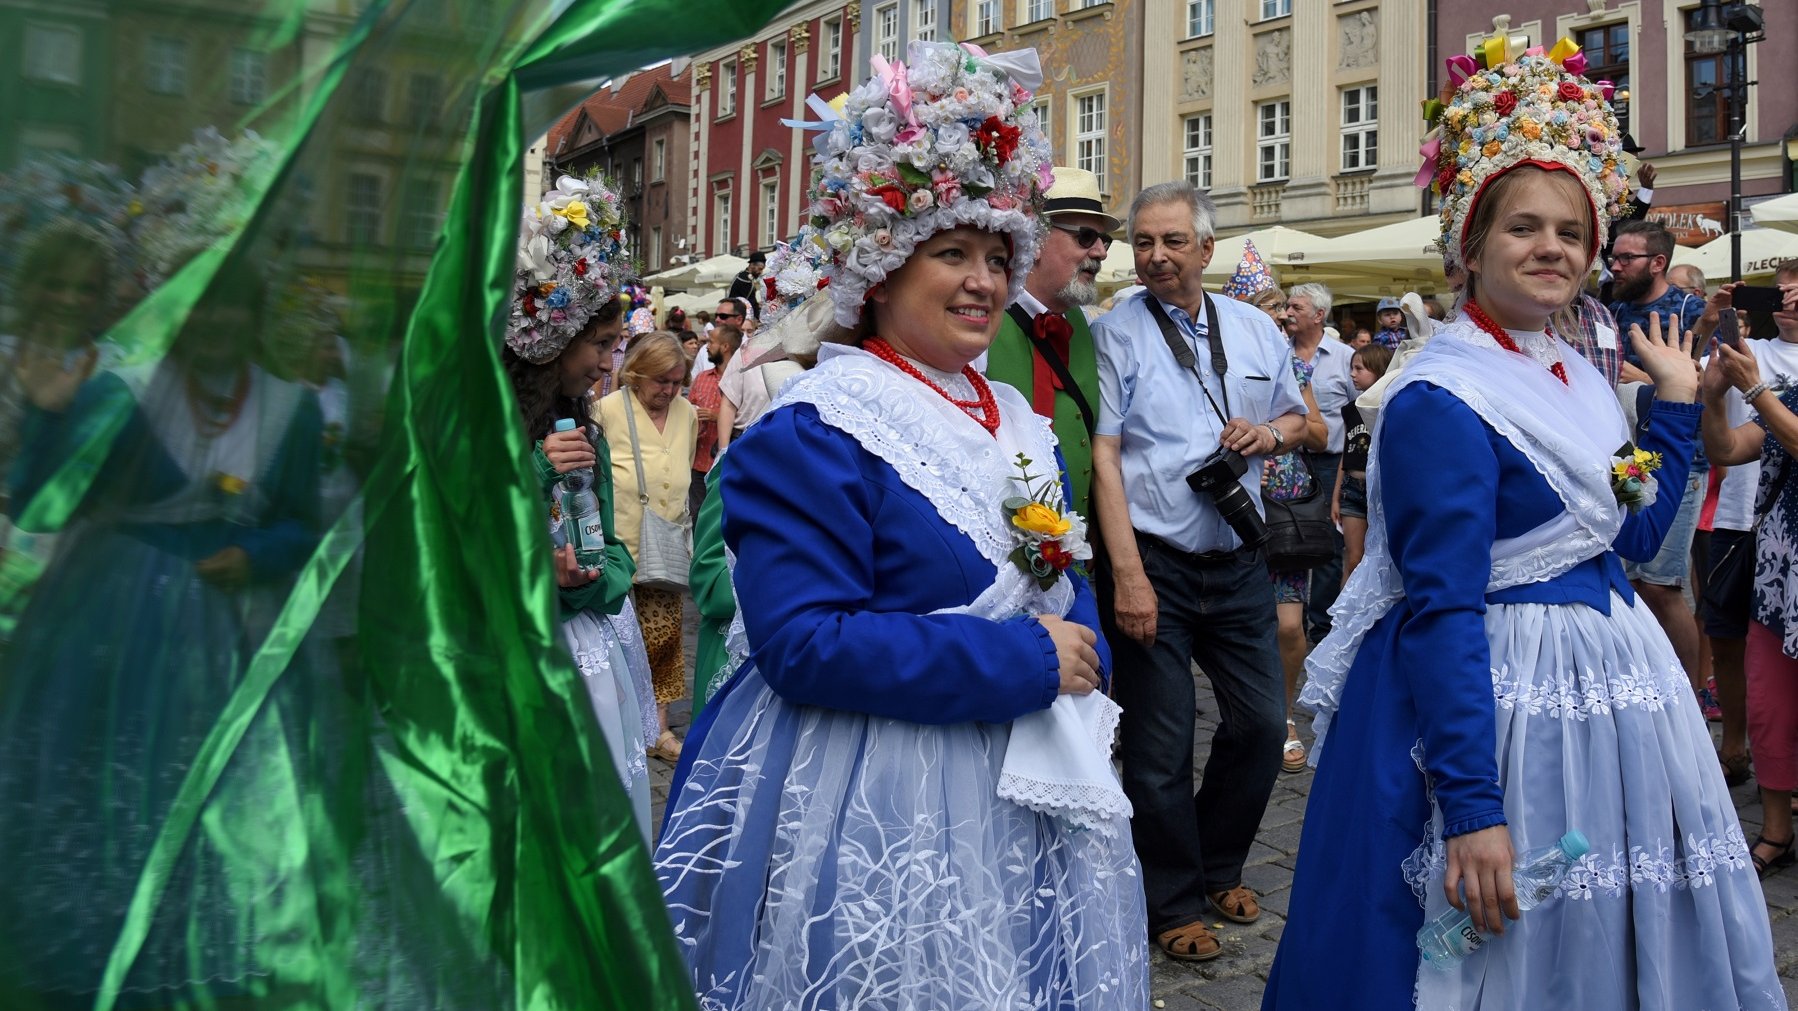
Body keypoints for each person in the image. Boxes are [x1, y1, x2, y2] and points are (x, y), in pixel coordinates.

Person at [1266, 41, 1780, 1008]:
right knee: (1487, 943)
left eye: (1572, 233)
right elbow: (1444, 610)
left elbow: (1628, 543)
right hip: (1499, 710)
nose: (1554, 248)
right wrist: (1472, 809)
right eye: (1524, 228)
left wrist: (1671, 408)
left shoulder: (1573, 370)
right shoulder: (1438, 400)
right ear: (1470, 242)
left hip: (1608, 695)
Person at [655, 40, 1146, 1008]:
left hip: (1024, 775)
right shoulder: (817, 427)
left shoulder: (1008, 408)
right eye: (950, 253)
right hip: (881, 790)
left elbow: (1051, 560)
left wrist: (1084, 638)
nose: (980, 281)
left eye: (996, 256)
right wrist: (1029, 664)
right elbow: (804, 644)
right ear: (880, 268)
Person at [0, 260, 326, 1003]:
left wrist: (258, 553)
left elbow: (306, 523)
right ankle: (97, 945)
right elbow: (39, 502)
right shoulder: (123, 390)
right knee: (113, 782)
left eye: (232, 310)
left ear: (254, 318)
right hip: (114, 626)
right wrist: (47, 412)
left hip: (236, 628)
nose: (215, 325)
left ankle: (200, 951)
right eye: (203, 309)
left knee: (214, 791)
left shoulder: (289, 408)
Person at [1091, 179, 1308, 962]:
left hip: (1239, 559)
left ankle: (1220, 864)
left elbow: (1300, 418)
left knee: (1259, 727)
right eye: (1142, 242)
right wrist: (1128, 575)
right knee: (1159, 746)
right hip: (1157, 561)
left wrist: (1269, 436)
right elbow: (1106, 457)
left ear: (1206, 249)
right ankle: (1172, 898)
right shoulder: (1115, 332)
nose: (1154, 256)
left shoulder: (1254, 327)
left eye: (1171, 241)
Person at [501, 201, 656, 832]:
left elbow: (613, 553)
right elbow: (465, 538)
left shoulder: (589, 429)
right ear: (553, 343)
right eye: (598, 345)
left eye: (614, 346)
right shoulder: (494, 432)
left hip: (589, 646)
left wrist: (596, 578)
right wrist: (534, 471)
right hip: (518, 653)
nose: (607, 363)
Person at [1701, 266, 1798, 876]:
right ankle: (1777, 830)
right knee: (1769, 703)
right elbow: (1729, 450)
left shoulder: (1772, 388)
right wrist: (1714, 398)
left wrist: (1756, 390)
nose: (1788, 300)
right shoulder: (1783, 389)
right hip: (1780, 573)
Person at [981, 166, 1114, 522]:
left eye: (1105, 240)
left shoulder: (1083, 325)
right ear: (1035, 240)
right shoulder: (982, 322)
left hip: (1079, 552)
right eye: (1086, 237)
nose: (1100, 252)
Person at [598, 332, 697, 763]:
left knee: (663, 640)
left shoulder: (687, 413)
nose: (669, 391)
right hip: (618, 543)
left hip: (666, 543)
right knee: (616, 639)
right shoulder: (606, 410)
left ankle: (658, 730)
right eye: (661, 381)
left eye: (677, 382)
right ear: (637, 374)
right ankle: (616, 726)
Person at [1284, 283, 1354, 646]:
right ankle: (1287, 614)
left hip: (1330, 464)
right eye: (1286, 306)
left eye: (1296, 307)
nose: (1287, 312)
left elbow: (1359, 416)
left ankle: (1321, 626)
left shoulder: (1344, 357)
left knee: (1327, 545)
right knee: (1288, 540)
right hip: (1285, 465)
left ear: (1319, 315)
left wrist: (1351, 476)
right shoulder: (1279, 353)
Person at [1332, 342, 1390, 586]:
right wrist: (1336, 496)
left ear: (1378, 370)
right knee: (1353, 559)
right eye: (1351, 368)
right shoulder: (1350, 409)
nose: (1352, 374)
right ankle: (1344, 620)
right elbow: (1346, 453)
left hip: (1379, 490)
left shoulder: (1389, 407)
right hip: (1352, 488)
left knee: (1380, 558)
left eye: (1359, 369)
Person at [687, 323, 738, 519]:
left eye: (711, 342)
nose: (706, 346)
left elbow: (747, 419)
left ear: (725, 347)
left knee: (721, 518)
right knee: (697, 516)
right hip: (697, 462)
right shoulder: (701, 378)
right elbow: (689, 406)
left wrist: (718, 417)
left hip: (726, 464)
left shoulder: (740, 379)